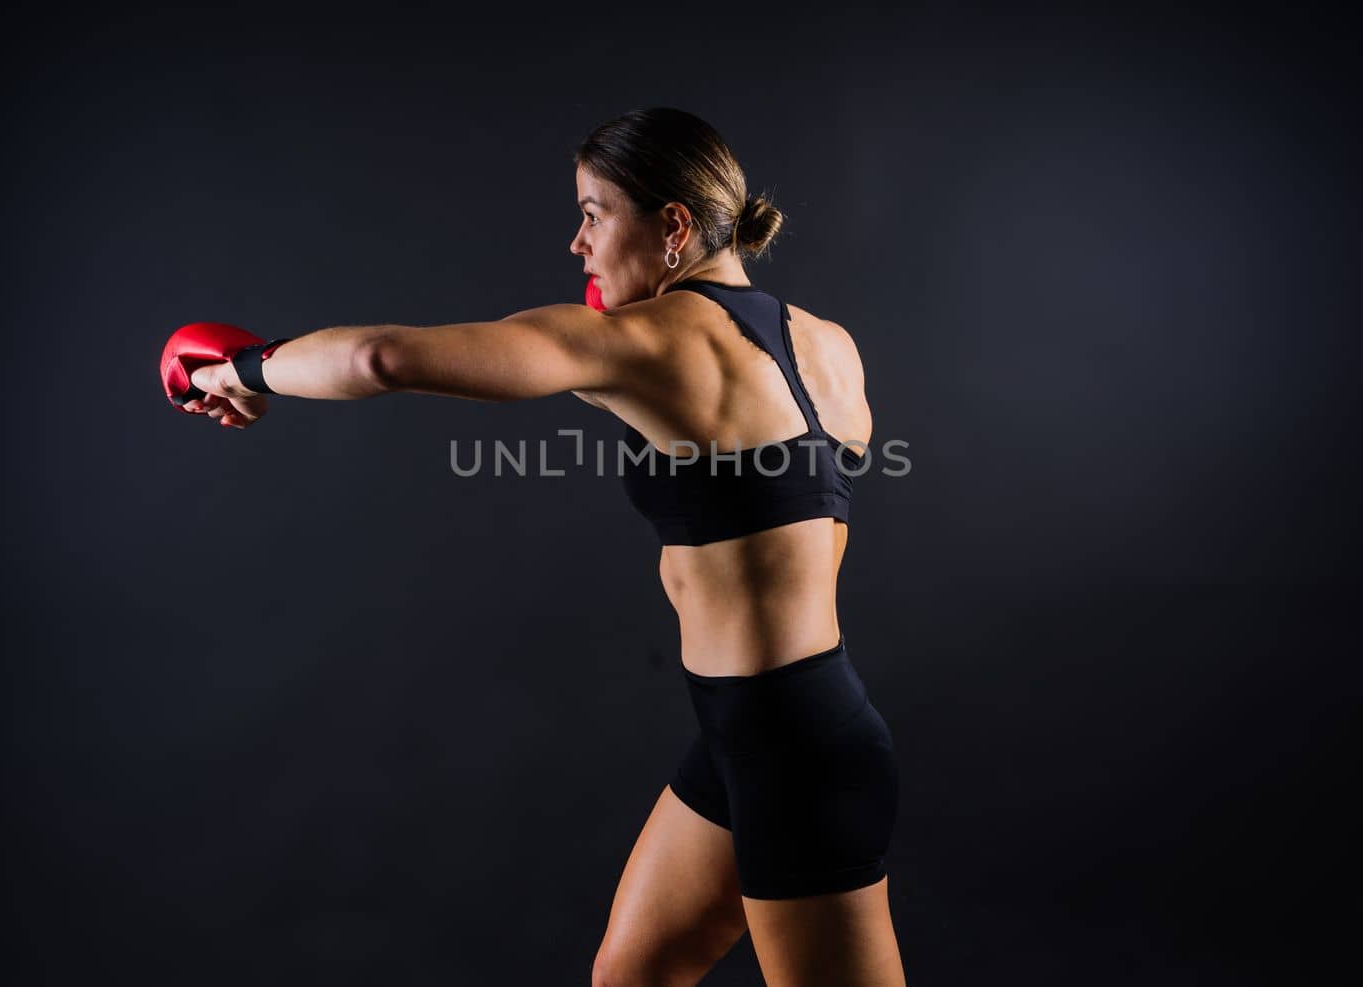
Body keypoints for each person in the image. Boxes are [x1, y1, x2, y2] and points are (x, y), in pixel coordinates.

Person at [176, 108, 905, 985]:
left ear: (672, 226)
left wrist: (242, 368)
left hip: (794, 752)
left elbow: (380, 358)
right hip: (765, 730)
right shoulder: (831, 347)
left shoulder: (648, 345)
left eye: (595, 213)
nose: (577, 242)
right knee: (630, 975)